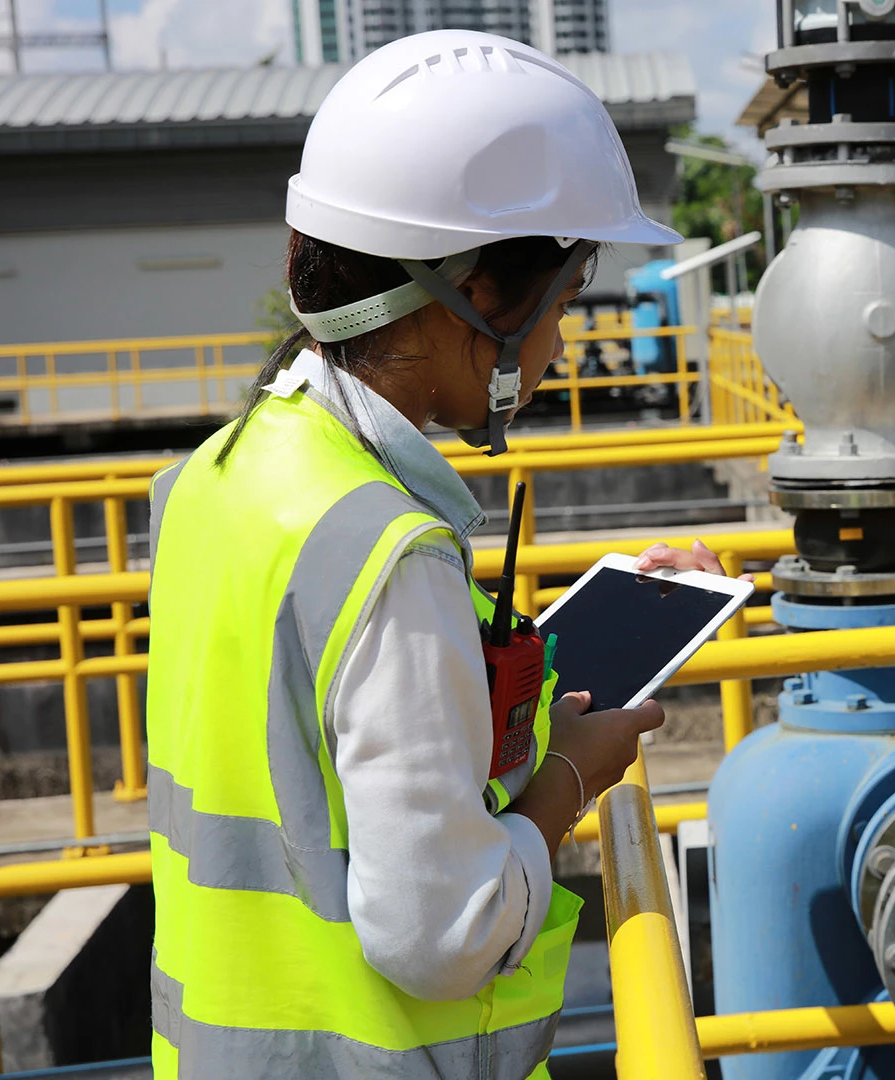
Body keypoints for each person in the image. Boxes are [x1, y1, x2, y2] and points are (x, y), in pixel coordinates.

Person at [145, 29, 724, 1078]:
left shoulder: (216, 478)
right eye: (566, 305)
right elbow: (439, 937)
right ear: (483, 302)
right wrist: (564, 784)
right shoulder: (390, 551)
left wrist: (536, 682)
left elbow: (320, 742)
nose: (561, 346)